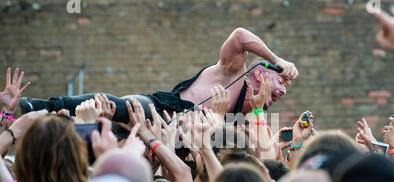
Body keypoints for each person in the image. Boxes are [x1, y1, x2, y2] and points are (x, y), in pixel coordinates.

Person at [19, 28, 298, 122]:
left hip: (175, 142)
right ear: (261, 73)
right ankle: (39, 107)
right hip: (159, 109)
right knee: (111, 106)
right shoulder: (234, 70)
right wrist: (277, 59)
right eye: (281, 81)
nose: (284, 91)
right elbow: (239, 35)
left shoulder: (249, 114)